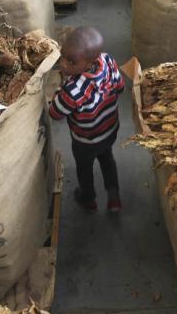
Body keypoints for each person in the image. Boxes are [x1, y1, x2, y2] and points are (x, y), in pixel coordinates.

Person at [48, 27, 125, 214]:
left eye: (71, 62)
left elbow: (55, 113)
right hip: (109, 130)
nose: (64, 65)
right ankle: (114, 197)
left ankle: (88, 199)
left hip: (85, 141)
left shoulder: (73, 90)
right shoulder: (107, 60)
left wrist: (58, 92)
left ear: (89, 62)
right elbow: (120, 87)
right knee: (107, 159)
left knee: (84, 168)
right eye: (63, 56)